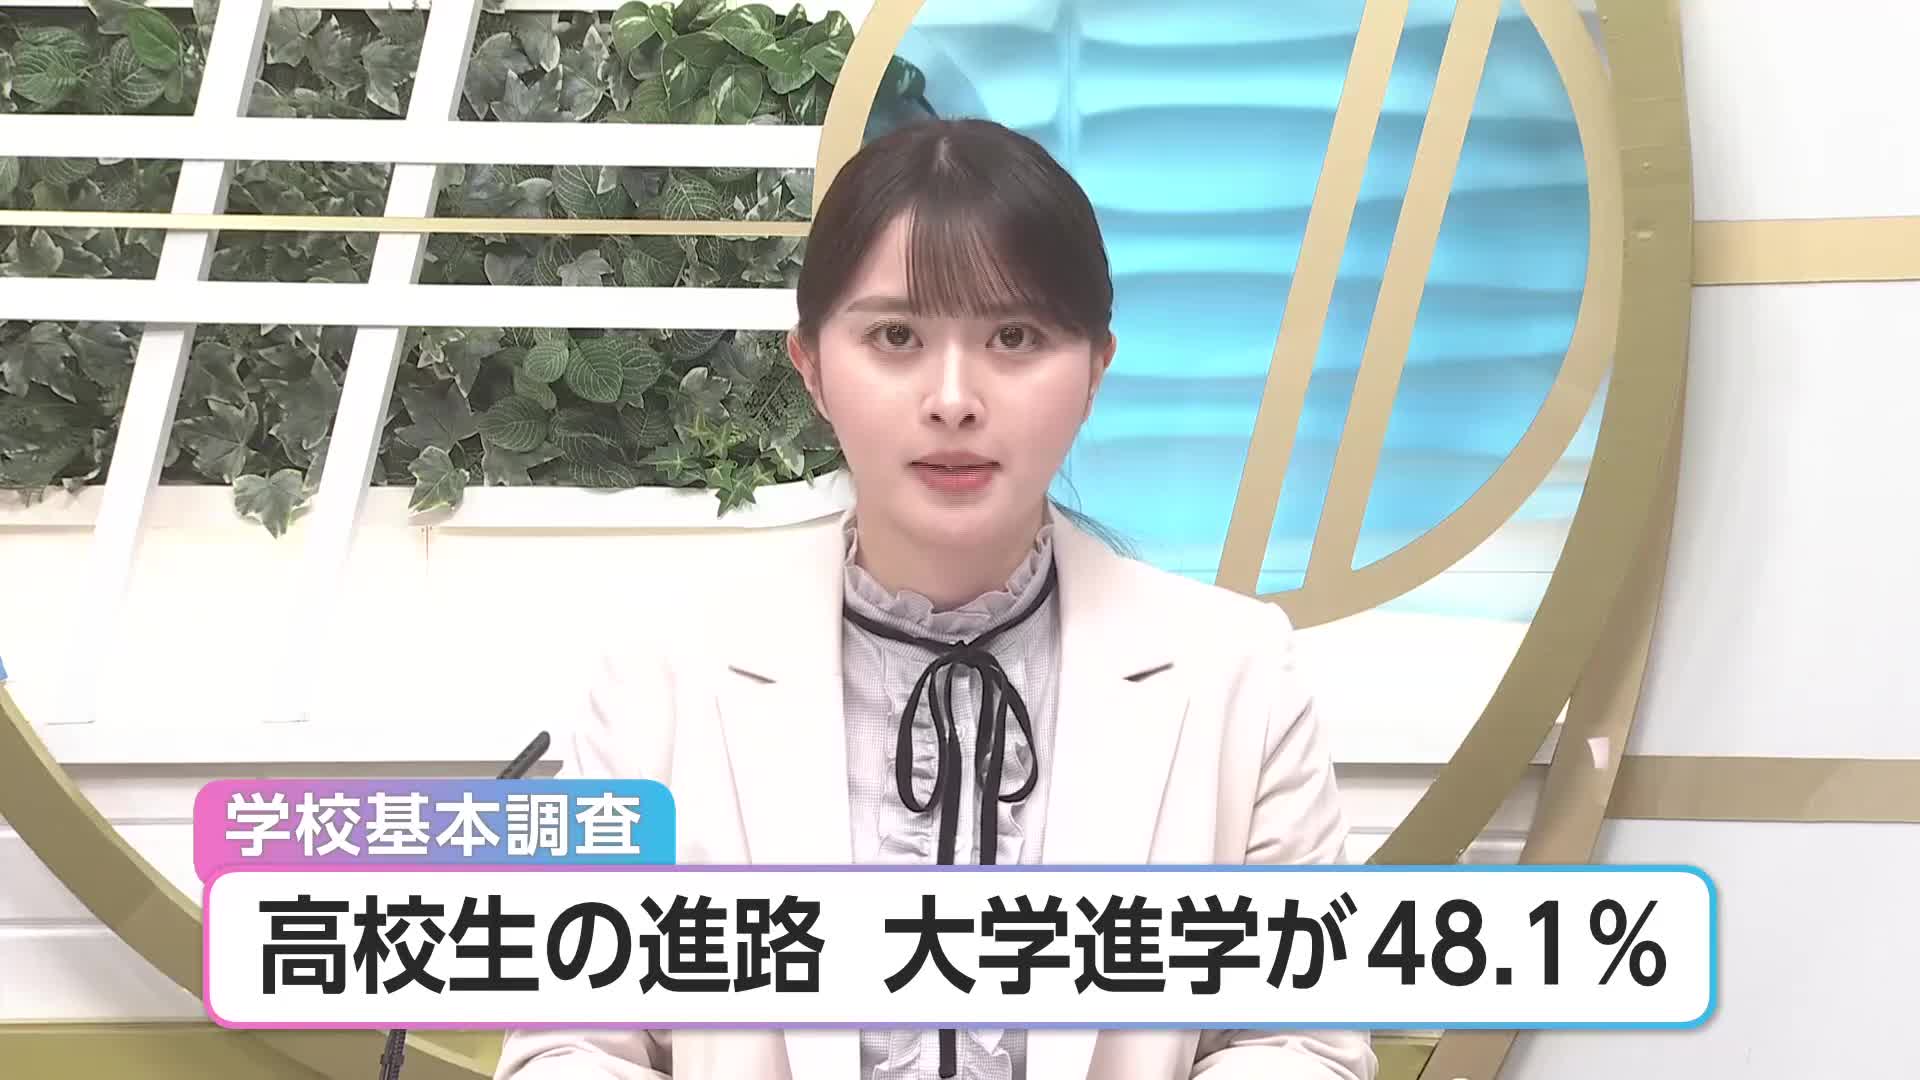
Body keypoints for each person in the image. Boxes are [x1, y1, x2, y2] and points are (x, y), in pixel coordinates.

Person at [494, 118, 1376, 1080]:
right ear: (812, 367)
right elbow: (571, 1043)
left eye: (1014, 336)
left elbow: (1300, 1040)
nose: (953, 399)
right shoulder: (662, 671)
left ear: (1095, 370)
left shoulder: (1237, 671)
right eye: (896, 336)